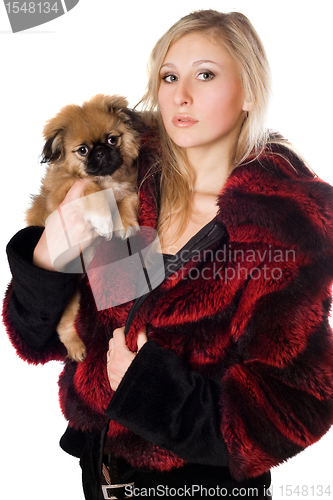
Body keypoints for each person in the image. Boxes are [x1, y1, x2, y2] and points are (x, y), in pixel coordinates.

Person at [3, 9, 333, 500]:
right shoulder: (127, 183)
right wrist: (48, 258)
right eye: (169, 76)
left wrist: (151, 390)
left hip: (203, 488)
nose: (181, 95)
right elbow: (41, 341)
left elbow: (296, 407)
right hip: (101, 476)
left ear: (248, 90)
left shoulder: (280, 226)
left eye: (205, 75)